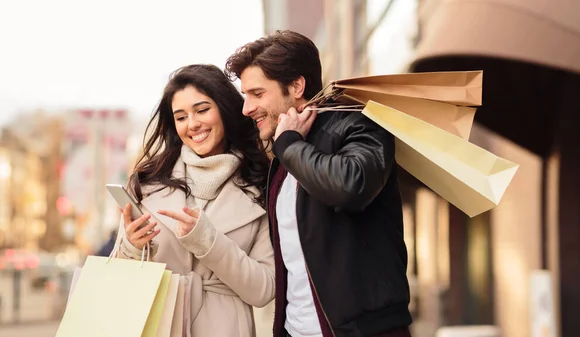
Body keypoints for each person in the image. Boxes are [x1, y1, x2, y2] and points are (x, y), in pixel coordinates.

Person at [225, 30, 412, 337]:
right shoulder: (284, 157)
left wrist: (289, 143)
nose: (247, 108)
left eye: (257, 94)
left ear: (296, 85)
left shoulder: (358, 124)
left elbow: (351, 185)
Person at [116, 64, 275, 337]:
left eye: (202, 110)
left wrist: (208, 241)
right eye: (181, 117)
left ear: (225, 109)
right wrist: (131, 247)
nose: (193, 124)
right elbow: (119, 275)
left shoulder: (262, 184)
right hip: (157, 325)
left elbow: (263, 290)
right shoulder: (146, 183)